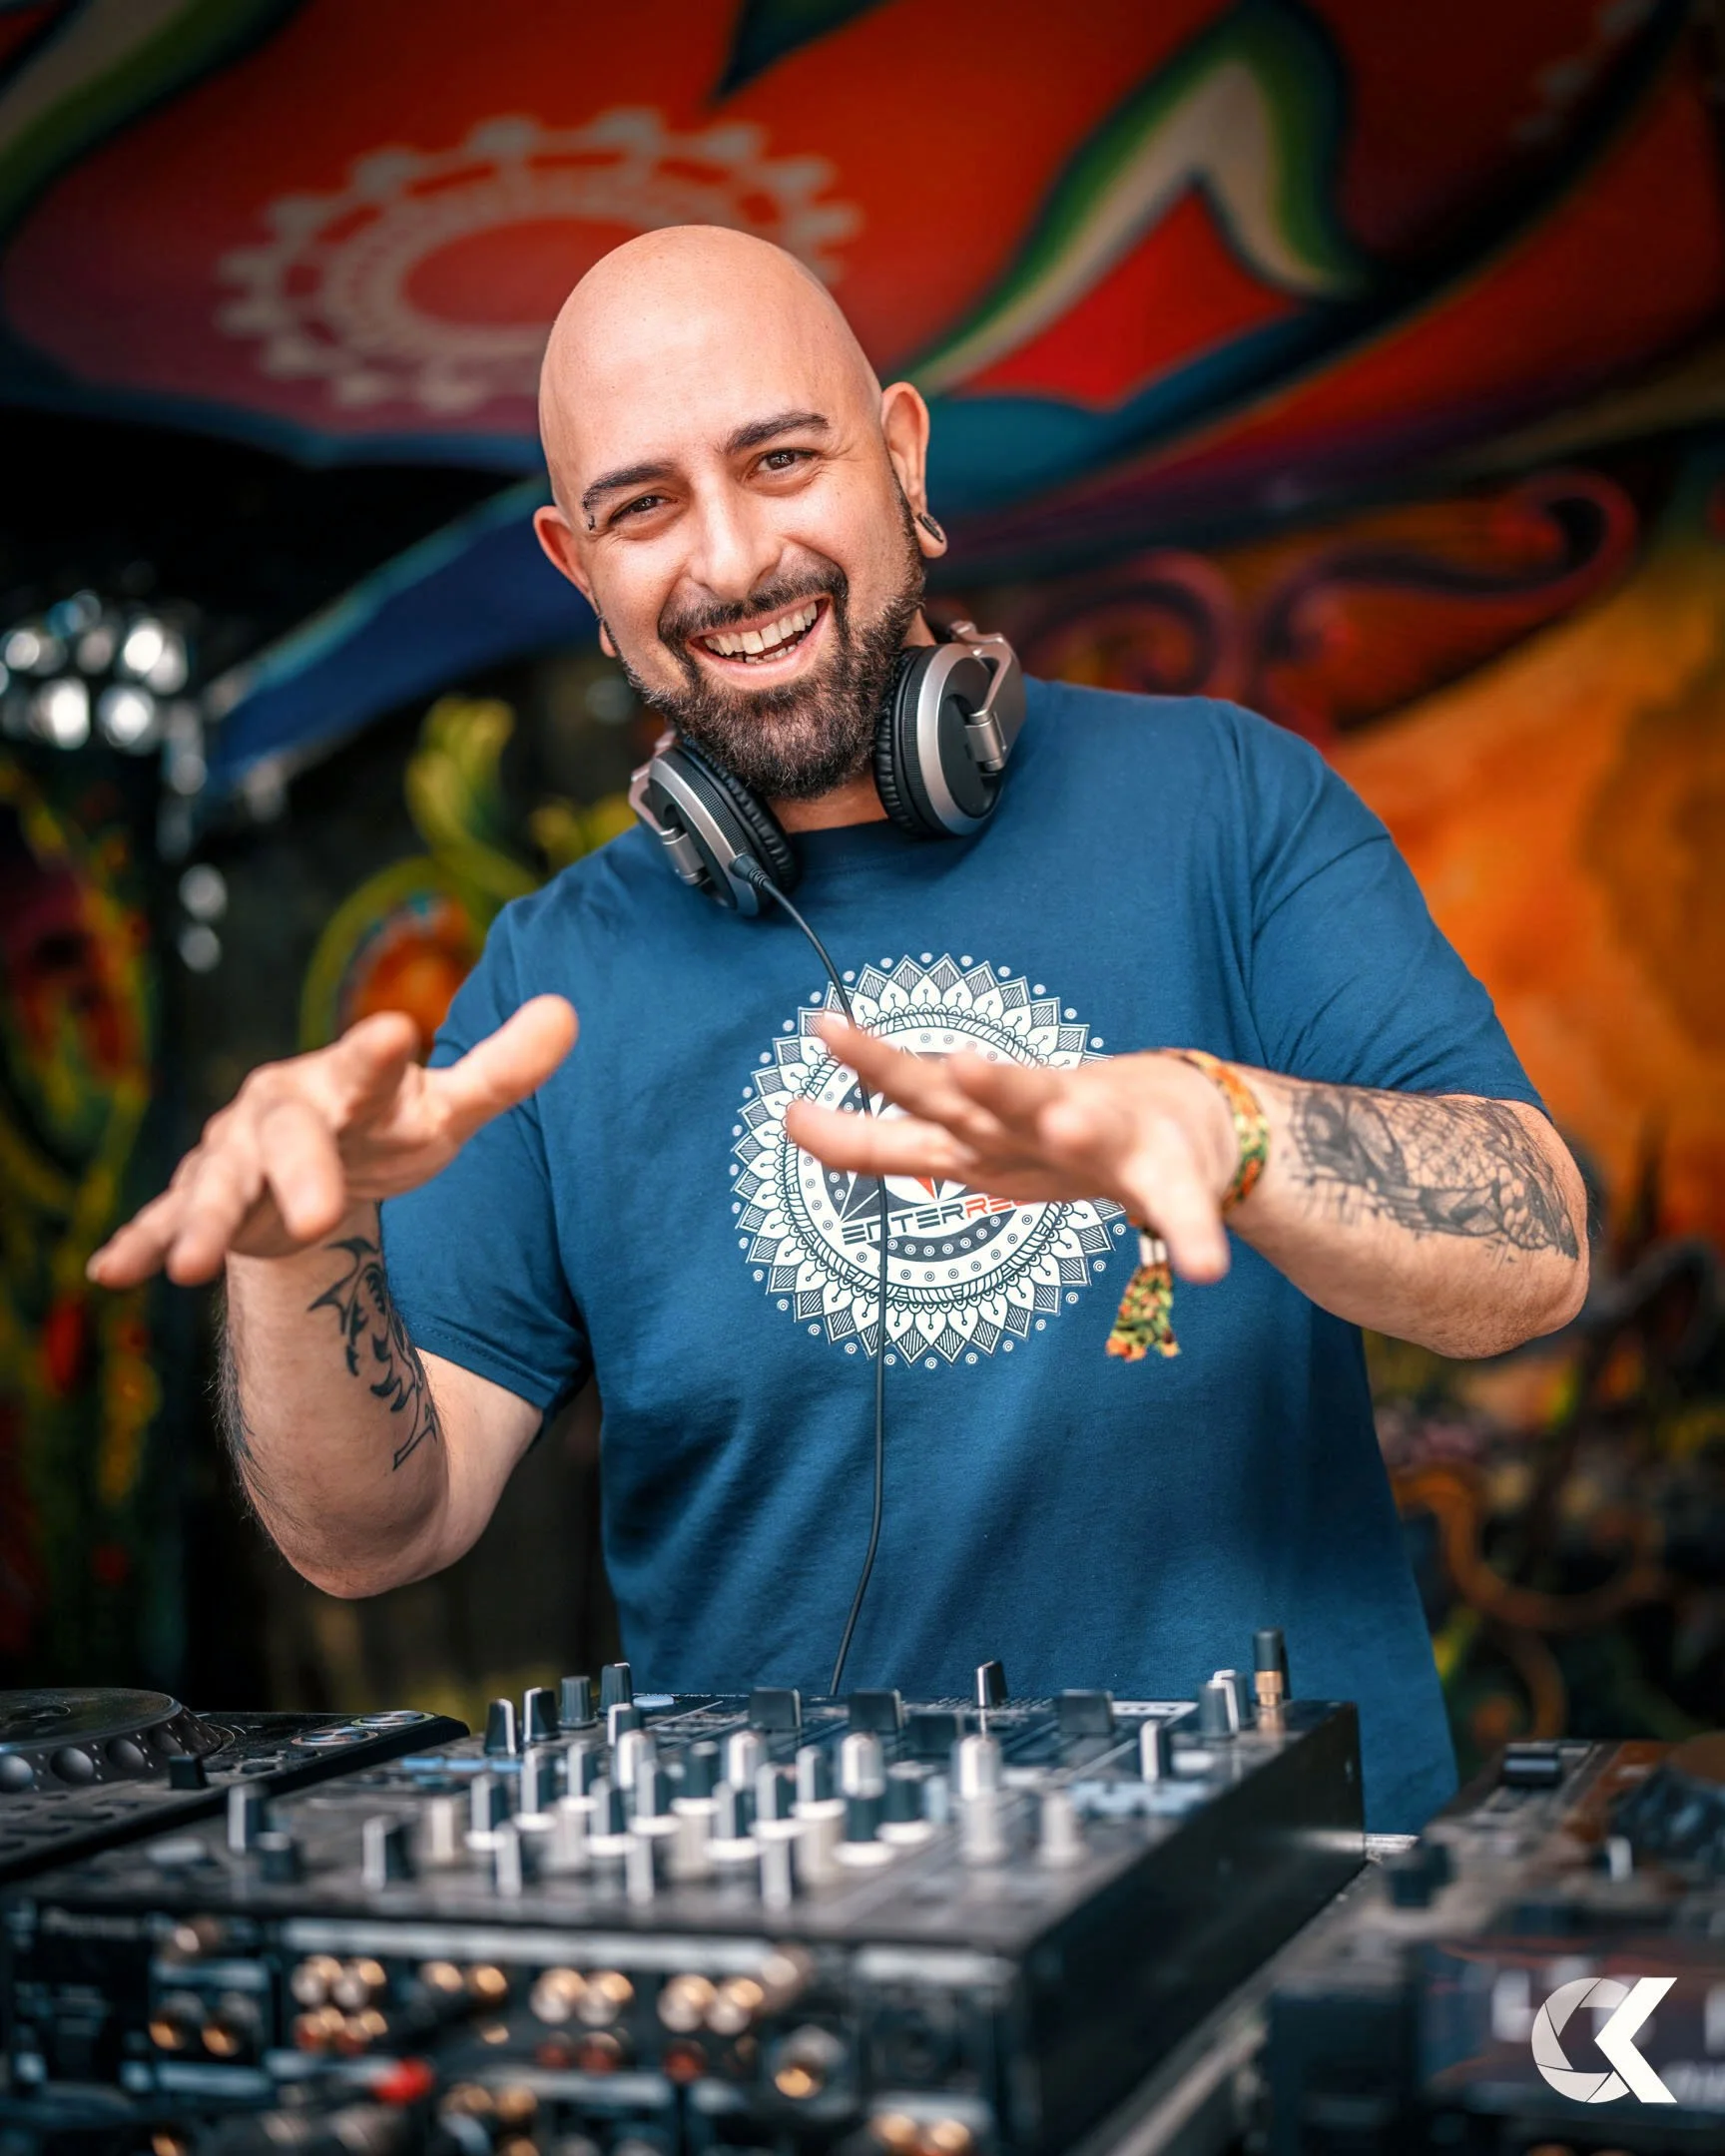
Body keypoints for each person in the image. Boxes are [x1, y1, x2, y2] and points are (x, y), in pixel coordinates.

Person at [89, 227, 1587, 1832]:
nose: (731, 561)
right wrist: (294, 1252)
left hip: (1292, 1915)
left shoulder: (1229, 800)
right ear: (580, 574)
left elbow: (1535, 1252)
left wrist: (1227, 1128)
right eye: (643, 507)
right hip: (792, 1975)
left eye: (781, 459)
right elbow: (373, 1531)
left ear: (903, 461)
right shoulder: (544, 978)